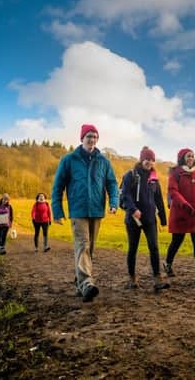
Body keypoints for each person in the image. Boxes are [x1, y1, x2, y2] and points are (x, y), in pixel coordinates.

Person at [51, 124, 118, 302]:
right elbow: (58, 186)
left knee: (90, 248)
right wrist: (57, 210)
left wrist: (113, 203)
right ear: (82, 138)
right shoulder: (69, 160)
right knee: (83, 245)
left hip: (96, 210)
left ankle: (80, 282)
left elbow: (111, 183)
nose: (92, 140)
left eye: (95, 137)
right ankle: (87, 283)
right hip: (78, 210)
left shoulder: (104, 161)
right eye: (89, 136)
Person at [121, 146, 170, 291]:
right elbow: (125, 195)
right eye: (147, 159)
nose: (149, 162)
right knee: (133, 248)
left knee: (154, 247)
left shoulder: (154, 179)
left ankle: (157, 278)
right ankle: (132, 278)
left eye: (152, 160)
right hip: (133, 219)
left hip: (149, 219)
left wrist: (162, 218)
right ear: (142, 159)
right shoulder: (130, 175)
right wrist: (133, 209)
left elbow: (159, 199)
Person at [164, 148, 195, 284]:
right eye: (188, 156)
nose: (190, 158)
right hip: (181, 211)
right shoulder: (175, 173)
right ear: (182, 158)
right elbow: (172, 191)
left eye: (192, 156)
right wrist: (184, 204)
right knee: (177, 240)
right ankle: (167, 264)